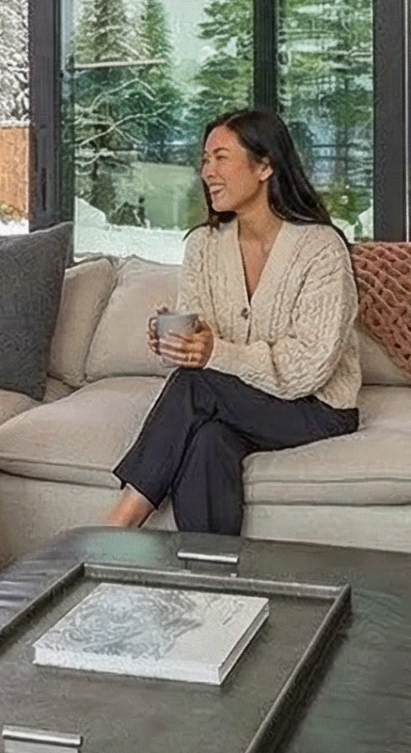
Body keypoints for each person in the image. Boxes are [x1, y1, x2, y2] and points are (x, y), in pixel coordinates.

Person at [101, 108, 362, 537]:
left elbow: (309, 368)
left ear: (265, 166)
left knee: (196, 387)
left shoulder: (320, 248)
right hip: (234, 401)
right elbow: (203, 348)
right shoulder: (203, 245)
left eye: (221, 158)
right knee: (208, 439)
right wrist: (177, 343)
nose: (207, 172)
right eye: (205, 160)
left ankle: (118, 525)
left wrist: (213, 354)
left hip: (314, 408)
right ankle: (210, 570)